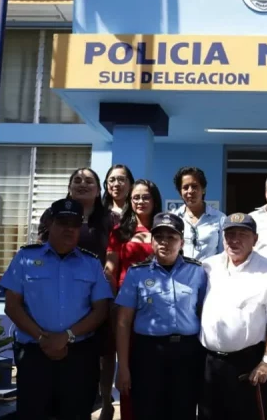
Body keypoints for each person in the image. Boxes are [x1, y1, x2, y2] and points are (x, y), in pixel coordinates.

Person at [1, 198, 113, 420]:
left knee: (76, 414)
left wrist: (67, 336)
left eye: (74, 224)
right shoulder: (26, 258)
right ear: (50, 224)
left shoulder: (91, 263)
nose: (69, 229)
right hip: (34, 354)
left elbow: (100, 310)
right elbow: (12, 306)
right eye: (63, 223)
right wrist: (42, 338)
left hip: (78, 356)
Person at [37, 167, 119, 419]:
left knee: (103, 350)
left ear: (98, 189)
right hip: (63, 293)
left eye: (89, 181)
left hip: (98, 295)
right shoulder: (53, 213)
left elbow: (115, 255)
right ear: (70, 187)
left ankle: (104, 400)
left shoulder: (110, 219)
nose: (83, 184)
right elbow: (43, 249)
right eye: (77, 180)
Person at [114, 212, 208, 420]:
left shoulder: (197, 272)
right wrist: (123, 367)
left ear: (182, 241)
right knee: (147, 410)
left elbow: (204, 314)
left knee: (183, 411)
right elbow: (123, 322)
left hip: (187, 353)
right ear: (151, 242)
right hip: (148, 353)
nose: (164, 242)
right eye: (159, 237)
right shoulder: (137, 273)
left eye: (171, 237)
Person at [198, 213, 267, 420]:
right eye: (229, 234)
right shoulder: (208, 267)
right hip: (209, 362)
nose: (234, 240)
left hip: (248, 363)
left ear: (255, 239)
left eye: (242, 234)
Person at [104, 179, 162, 420]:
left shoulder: (164, 229)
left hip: (159, 310)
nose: (140, 201)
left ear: (154, 199)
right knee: (128, 369)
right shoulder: (120, 232)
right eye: (136, 197)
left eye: (145, 196)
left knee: (156, 369)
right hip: (127, 309)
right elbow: (110, 270)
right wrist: (114, 304)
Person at [171, 166, 227, 260]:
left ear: (203, 189)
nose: (190, 191)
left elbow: (224, 253)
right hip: (181, 273)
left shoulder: (220, 218)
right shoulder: (174, 218)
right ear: (180, 192)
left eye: (194, 186)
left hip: (209, 273)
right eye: (185, 187)